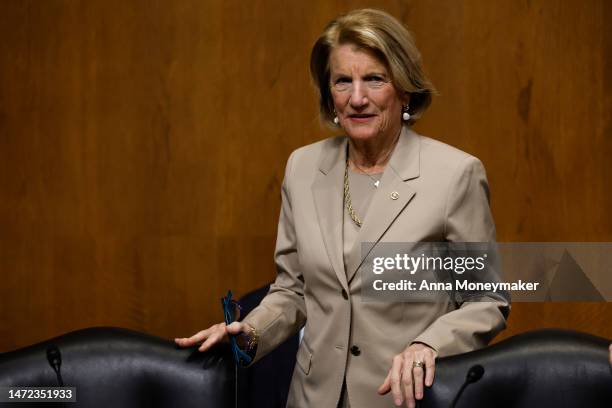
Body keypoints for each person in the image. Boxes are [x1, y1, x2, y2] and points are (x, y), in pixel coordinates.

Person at [176, 8, 509, 408]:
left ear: (403, 89)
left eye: (374, 79)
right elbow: (293, 289)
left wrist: (428, 344)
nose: (357, 98)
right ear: (329, 96)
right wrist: (250, 331)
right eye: (342, 81)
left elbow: (486, 300)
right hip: (311, 398)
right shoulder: (302, 167)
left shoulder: (455, 174)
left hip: (405, 399)